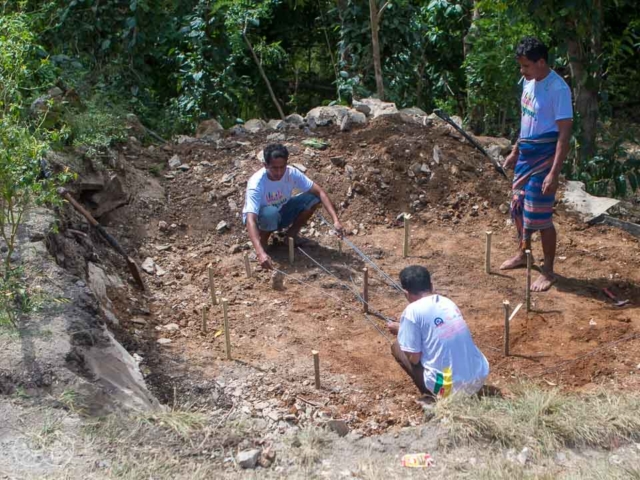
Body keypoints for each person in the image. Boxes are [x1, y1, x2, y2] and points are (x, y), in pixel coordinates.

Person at [500, 37, 573, 291]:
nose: (522, 71)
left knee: (539, 214)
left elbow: (564, 135)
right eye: (521, 66)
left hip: (545, 155)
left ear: (541, 62)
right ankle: (523, 254)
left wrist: (553, 172)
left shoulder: (558, 90)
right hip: (526, 153)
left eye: (526, 66)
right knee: (519, 206)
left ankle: (549, 270)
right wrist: (515, 151)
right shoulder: (528, 83)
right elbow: (525, 120)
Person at [387, 265, 489, 398]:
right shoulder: (447, 302)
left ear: (406, 293)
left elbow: (414, 359)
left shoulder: (411, 312)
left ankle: (433, 396)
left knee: (397, 347)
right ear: (431, 285)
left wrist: (402, 333)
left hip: (447, 389)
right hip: (478, 378)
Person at [243, 143, 344, 270]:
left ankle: (290, 237)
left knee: (312, 198)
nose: (279, 172)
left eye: (282, 167)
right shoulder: (256, 183)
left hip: (282, 211)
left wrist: (336, 220)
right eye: (274, 168)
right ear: (265, 165)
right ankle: (263, 245)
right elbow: (250, 219)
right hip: (262, 219)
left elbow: (320, 192)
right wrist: (259, 252)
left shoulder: (292, 173)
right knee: (270, 212)